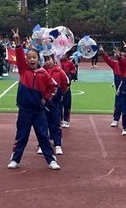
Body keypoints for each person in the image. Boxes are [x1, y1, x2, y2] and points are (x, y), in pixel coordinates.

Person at [7, 38, 60, 170]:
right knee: (21, 136)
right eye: (29, 58)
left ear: (38, 59)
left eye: (34, 57)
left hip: (38, 111)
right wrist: (18, 44)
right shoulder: (23, 71)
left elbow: (53, 87)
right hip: (24, 110)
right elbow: (19, 57)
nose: (31, 60)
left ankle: (51, 160)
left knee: (43, 135)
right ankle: (15, 159)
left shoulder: (44, 74)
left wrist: (45, 98)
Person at [42, 52, 68, 155]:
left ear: (54, 59)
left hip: (56, 103)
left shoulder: (59, 71)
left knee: (56, 123)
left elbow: (65, 84)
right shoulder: (42, 71)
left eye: (49, 59)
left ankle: (57, 144)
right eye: (45, 60)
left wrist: (59, 95)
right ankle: (43, 144)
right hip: (44, 103)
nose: (47, 62)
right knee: (44, 124)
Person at [60, 53, 78, 126]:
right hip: (58, 86)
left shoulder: (69, 63)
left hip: (66, 86)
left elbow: (74, 70)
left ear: (67, 55)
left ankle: (66, 120)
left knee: (67, 103)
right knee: (59, 104)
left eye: (63, 54)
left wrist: (69, 75)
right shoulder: (57, 61)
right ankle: (60, 119)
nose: (62, 56)